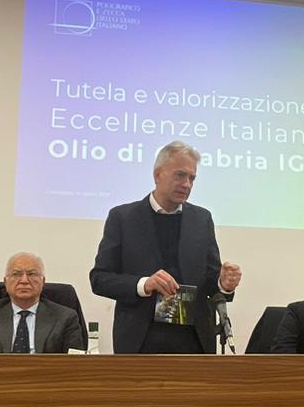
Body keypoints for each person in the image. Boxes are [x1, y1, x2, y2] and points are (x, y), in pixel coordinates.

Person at [89, 141, 241, 353]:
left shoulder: (201, 219)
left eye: (192, 178)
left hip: (194, 339)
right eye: (180, 175)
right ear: (158, 175)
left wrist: (223, 284)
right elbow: (100, 279)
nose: (187, 184)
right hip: (140, 339)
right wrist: (144, 284)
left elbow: (209, 280)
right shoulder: (123, 218)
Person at [0, 252, 87, 354]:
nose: (24, 280)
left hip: (47, 378)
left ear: (43, 282)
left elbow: (75, 364)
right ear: (5, 282)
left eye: (32, 274)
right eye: (16, 274)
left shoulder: (66, 317)